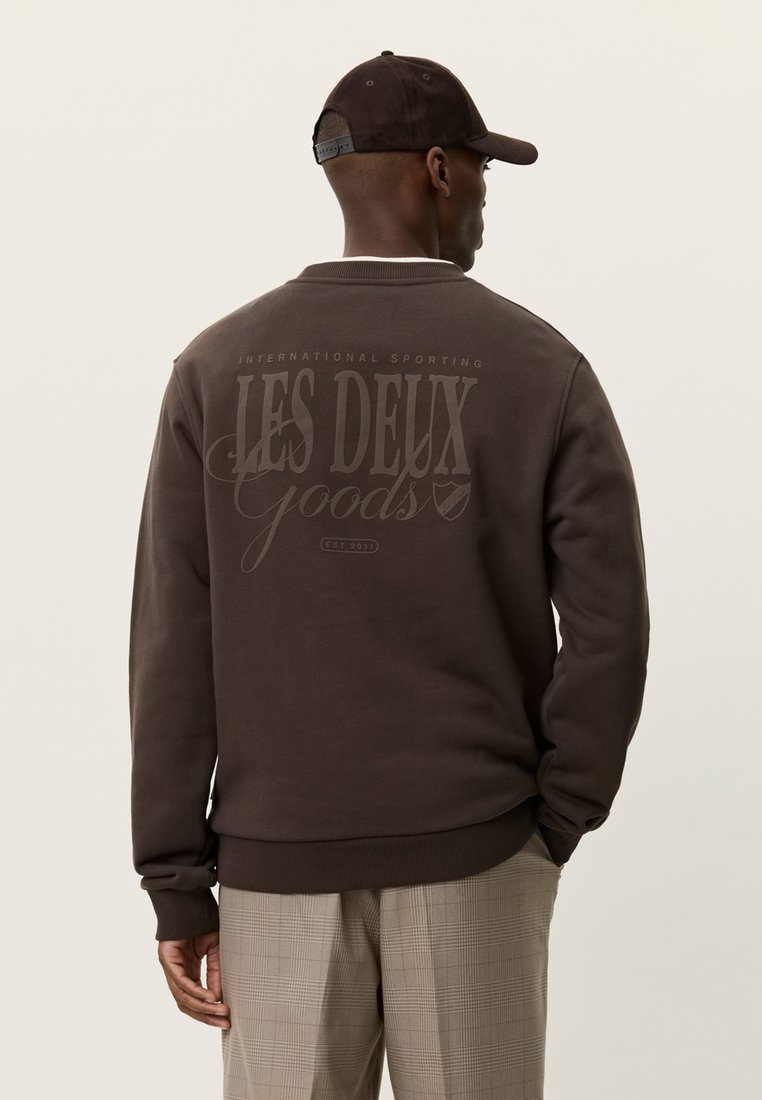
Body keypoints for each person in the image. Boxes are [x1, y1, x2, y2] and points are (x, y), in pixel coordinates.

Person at [128, 50, 650, 1100]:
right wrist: (552, 820)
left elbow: (173, 641)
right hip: (479, 853)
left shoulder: (214, 369)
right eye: (483, 170)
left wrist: (177, 880)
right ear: (438, 170)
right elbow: (610, 627)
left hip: (276, 866)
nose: (487, 197)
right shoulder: (540, 368)